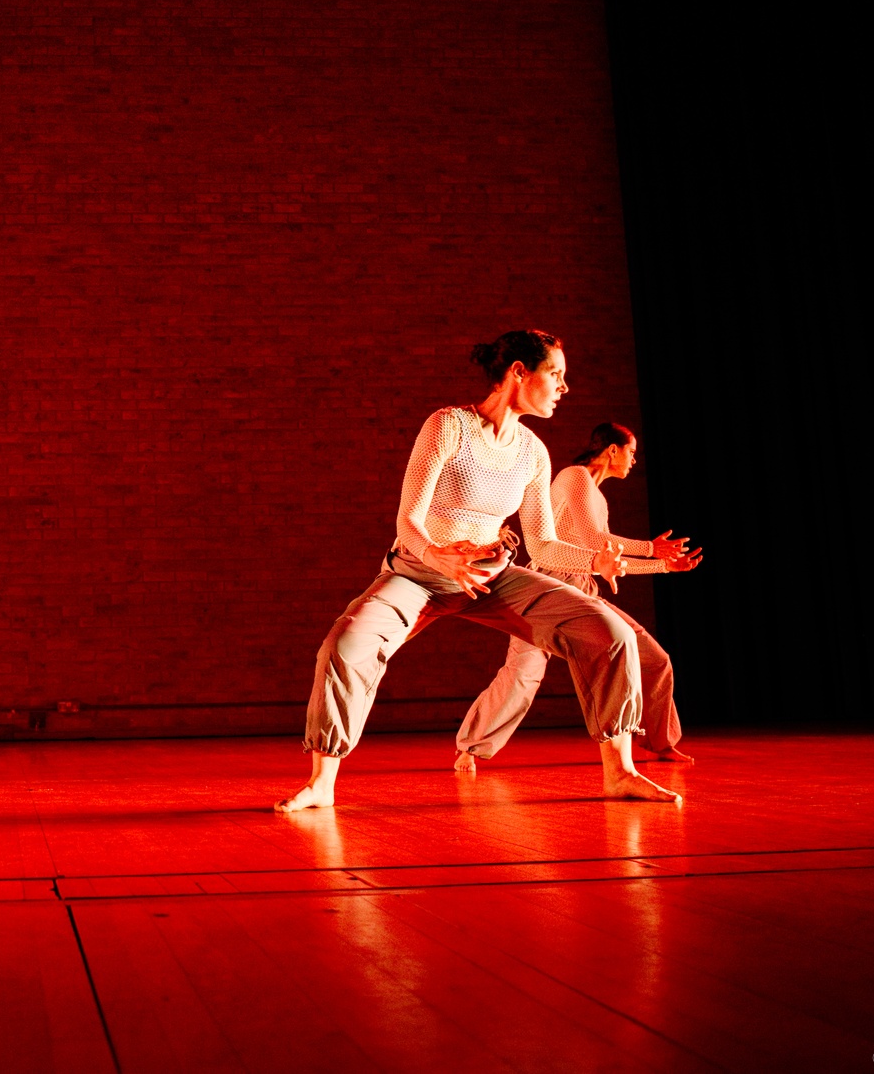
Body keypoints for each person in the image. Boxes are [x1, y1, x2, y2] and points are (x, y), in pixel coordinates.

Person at [277, 330, 682, 812]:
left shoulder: (533, 452)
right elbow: (408, 520)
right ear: (518, 372)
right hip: (418, 574)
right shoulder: (449, 426)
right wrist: (436, 556)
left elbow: (543, 544)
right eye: (555, 374)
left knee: (609, 631)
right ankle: (322, 783)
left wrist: (594, 561)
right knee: (346, 644)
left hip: (493, 578)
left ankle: (620, 773)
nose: (563, 387)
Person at [453, 423, 703, 772]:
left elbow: (604, 556)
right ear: (612, 450)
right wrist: (652, 552)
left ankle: (660, 742)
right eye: (630, 452)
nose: (634, 460)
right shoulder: (575, 477)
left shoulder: (597, 495)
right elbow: (595, 541)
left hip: (582, 585)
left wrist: (661, 564)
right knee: (523, 673)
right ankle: (471, 747)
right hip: (546, 584)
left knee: (653, 659)